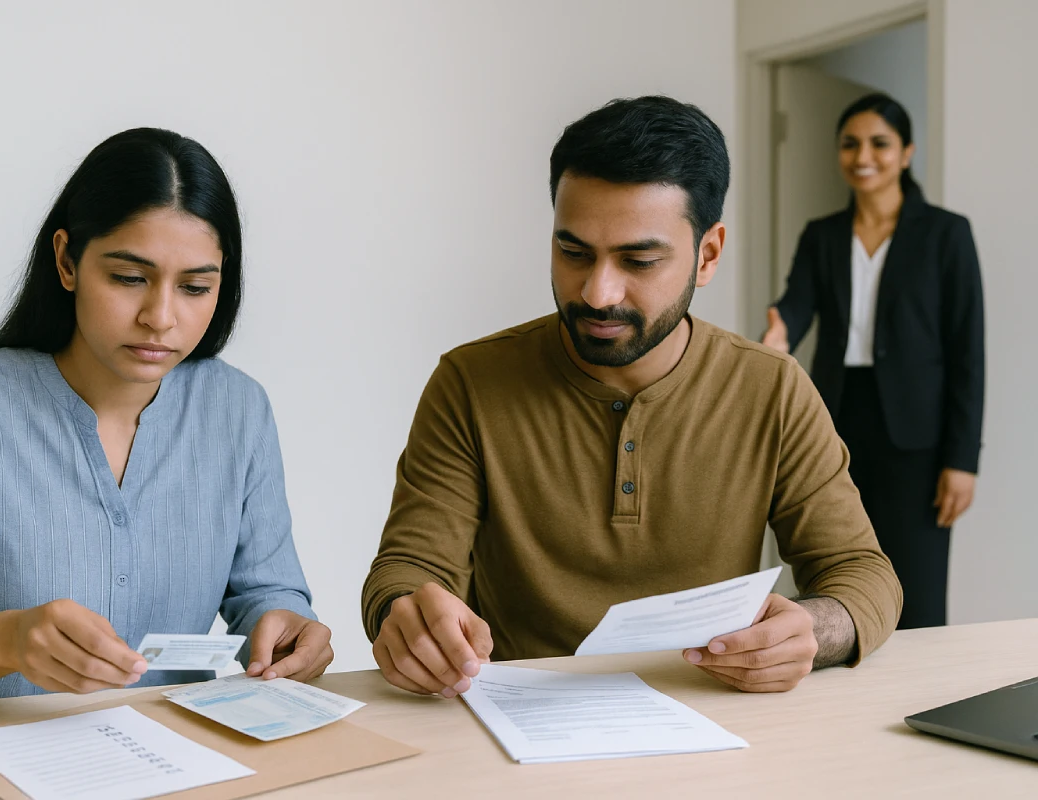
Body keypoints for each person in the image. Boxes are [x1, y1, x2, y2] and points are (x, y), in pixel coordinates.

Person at [362, 96, 902, 698]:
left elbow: (862, 574)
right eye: (573, 253)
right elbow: (408, 569)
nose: (598, 293)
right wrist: (406, 618)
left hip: (708, 710)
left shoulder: (771, 388)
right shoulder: (469, 382)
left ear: (708, 255)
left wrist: (814, 629)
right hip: (513, 714)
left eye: (639, 260)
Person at [0, 128, 333, 709]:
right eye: (129, 278)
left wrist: (289, 628)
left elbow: (268, 594)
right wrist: (6, 641)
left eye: (196, 287)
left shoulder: (239, 410)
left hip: (179, 754)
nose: (161, 317)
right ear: (66, 261)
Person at [762, 94, 984, 629]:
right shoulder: (822, 235)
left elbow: (967, 351)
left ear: (906, 153)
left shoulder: (946, 233)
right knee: (833, 573)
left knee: (917, 589)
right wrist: (780, 330)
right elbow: (796, 304)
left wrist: (963, 460)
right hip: (836, 420)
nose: (863, 156)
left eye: (879, 143)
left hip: (917, 437)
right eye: (850, 144)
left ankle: (923, 683)